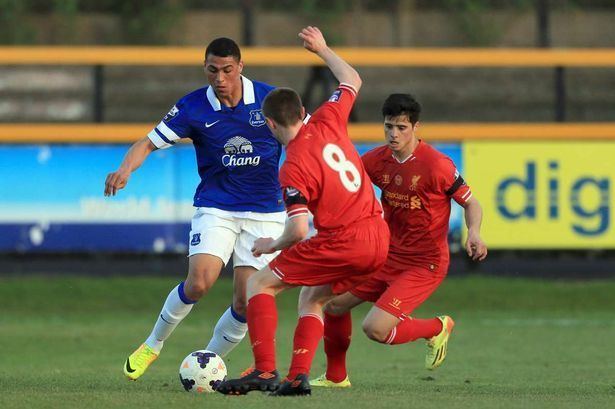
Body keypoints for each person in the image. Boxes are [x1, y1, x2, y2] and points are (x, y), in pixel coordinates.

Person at [216, 26, 389, 397]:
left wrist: (268, 244)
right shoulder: (328, 119)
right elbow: (352, 78)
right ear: (303, 112)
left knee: (259, 283)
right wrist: (322, 48)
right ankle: (297, 377)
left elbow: (296, 230)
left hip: (344, 239)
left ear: (272, 123)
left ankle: (264, 370)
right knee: (313, 297)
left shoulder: (292, 165)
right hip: (379, 236)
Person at [104, 37, 286, 381]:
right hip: (217, 206)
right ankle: (152, 345)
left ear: (240, 67)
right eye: (213, 70)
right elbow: (147, 142)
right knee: (199, 283)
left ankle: (206, 365)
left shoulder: (269, 99)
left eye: (227, 70)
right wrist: (125, 169)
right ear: (205, 68)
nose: (220, 78)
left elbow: (307, 138)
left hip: (266, 211)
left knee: (248, 301)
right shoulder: (192, 107)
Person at [309, 93, 488, 389]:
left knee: (375, 329)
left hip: (424, 263)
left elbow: (471, 203)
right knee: (333, 304)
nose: (394, 134)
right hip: (385, 255)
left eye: (401, 128)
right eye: (389, 126)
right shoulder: (377, 161)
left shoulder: (437, 165)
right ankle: (335, 377)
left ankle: (436, 327)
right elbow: (343, 180)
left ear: (416, 127)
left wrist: (475, 233)